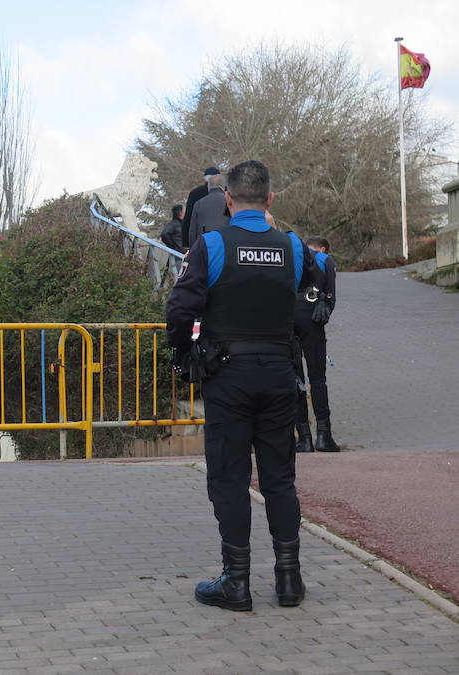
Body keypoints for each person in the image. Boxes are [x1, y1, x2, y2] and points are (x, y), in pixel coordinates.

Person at [166, 160, 322, 612]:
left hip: (228, 375)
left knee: (230, 479)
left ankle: (236, 583)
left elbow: (180, 310)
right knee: (279, 479)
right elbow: (309, 295)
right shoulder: (291, 246)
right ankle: (289, 580)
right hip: (279, 373)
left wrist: (181, 352)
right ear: (270, 201)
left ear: (228, 201)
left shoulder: (211, 244)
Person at [294, 236, 339, 453]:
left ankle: (303, 437)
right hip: (312, 314)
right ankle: (324, 435)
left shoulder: (279, 253)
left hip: (285, 316)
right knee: (317, 377)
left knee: (295, 379)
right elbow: (331, 297)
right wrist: (326, 308)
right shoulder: (323, 259)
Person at [188, 173, 230, 247]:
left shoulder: (198, 204)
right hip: (225, 245)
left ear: (208, 186)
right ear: (224, 186)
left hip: (204, 247)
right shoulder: (230, 202)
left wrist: (193, 250)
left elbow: (192, 232)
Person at [182, 167, 219, 248]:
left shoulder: (195, 193)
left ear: (205, 178)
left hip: (201, 238)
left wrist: (186, 242)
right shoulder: (227, 193)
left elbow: (189, 217)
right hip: (222, 237)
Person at [161, 204, 186, 275]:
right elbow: (164, 234)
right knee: (179, 277)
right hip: (178, 256)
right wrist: (173, 247)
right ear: (180, 213)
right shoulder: (173, 224)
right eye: (185, 211)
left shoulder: (183, 224)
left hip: (184, 256)